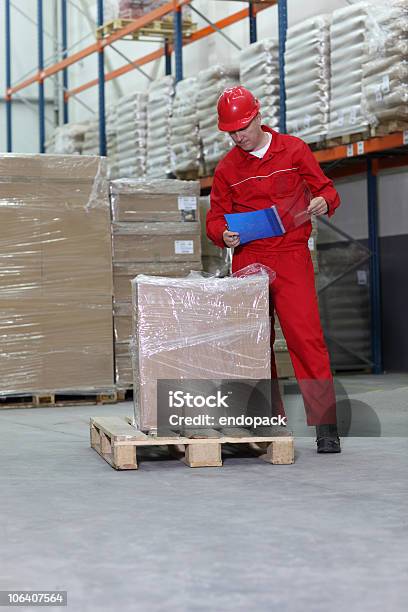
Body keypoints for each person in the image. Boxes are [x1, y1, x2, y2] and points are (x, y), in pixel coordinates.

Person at [206, 86, 341, 453]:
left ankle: (326, 425)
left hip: (291, 256)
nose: (238, 137)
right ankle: (267, 424)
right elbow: (214, 218)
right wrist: (224, 234)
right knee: (253, 344)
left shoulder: (294, 150)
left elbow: (328, 191)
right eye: (231, 132)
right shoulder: (227, 169)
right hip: (249, 259)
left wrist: (321, 202)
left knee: (306, 339)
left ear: (258, 117)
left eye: (242, 129)